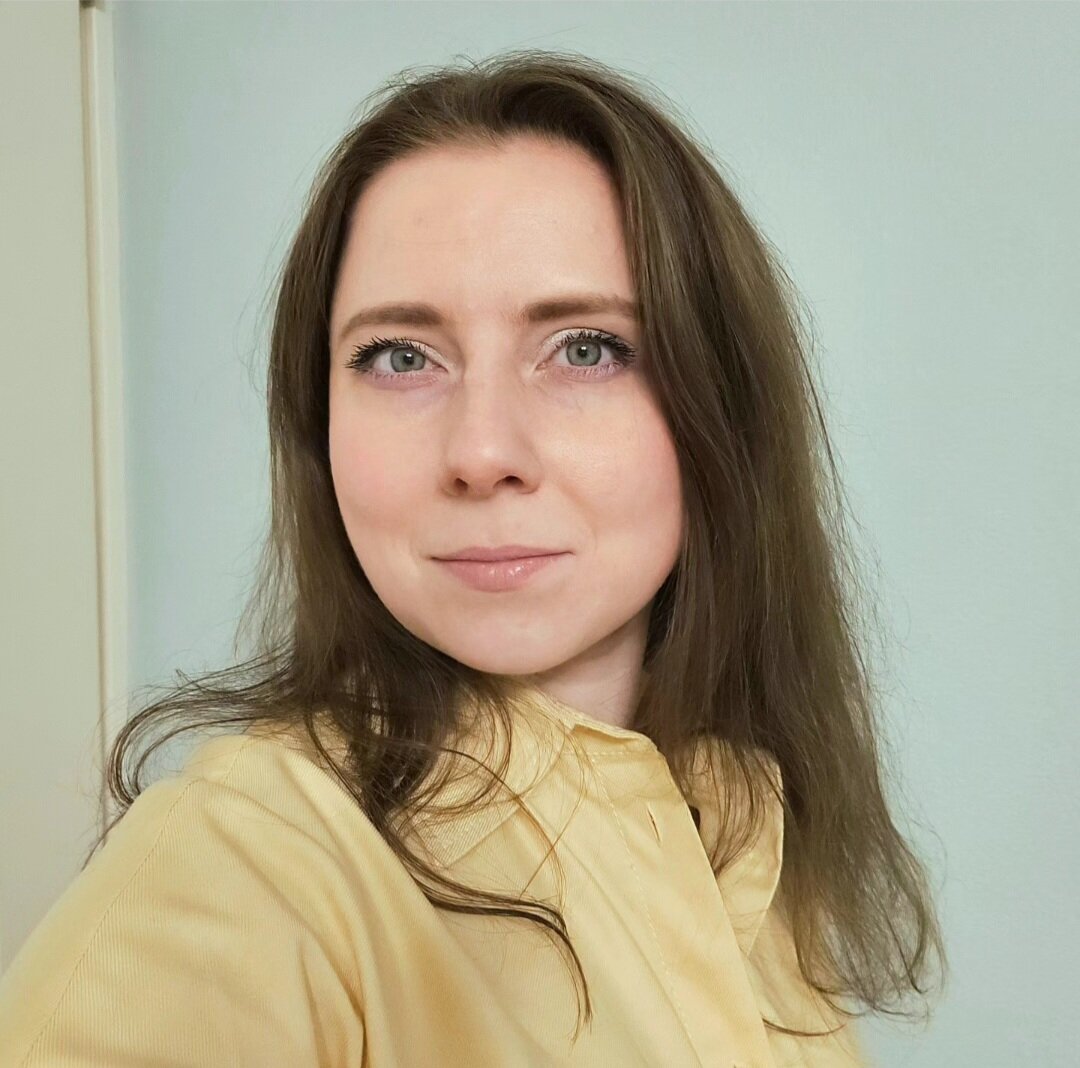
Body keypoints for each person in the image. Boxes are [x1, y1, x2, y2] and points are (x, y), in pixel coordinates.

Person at [0, 49, 946, 1066]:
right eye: (401, 357)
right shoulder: (249, 863)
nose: (482, 452)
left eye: (586, 348)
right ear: (319, 425)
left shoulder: (745, 845)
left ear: (723, 404)